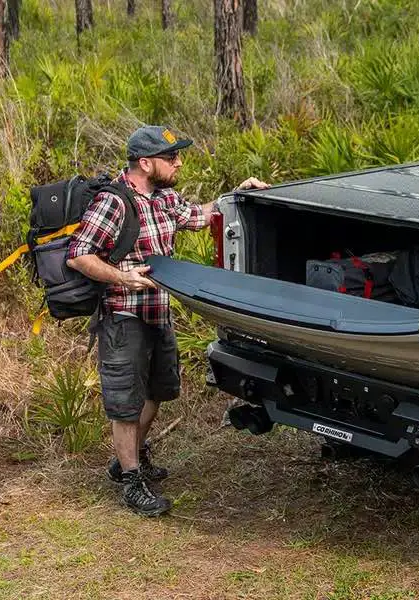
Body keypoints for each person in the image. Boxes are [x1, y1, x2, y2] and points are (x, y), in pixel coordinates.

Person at [66, 125, 269, 516]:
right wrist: (122, 276)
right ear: (146, 163)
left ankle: (129, 459)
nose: (179, 163)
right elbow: (79, 254)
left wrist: (236, 193)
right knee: (125, 402)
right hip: (123, 314)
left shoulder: (164, 199)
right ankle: (130, 481)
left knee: (158, 390)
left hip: (159, 312)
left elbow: (201, 215)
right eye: (171, 157)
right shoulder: (114, 203)